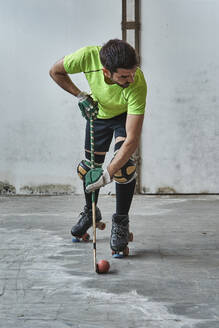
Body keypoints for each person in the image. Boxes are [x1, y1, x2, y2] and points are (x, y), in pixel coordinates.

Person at [49, 39, 147, 255]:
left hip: (123, 116)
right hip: (98, 114)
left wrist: (108, 175)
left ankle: (121, 221)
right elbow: (55, 72)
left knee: (123, 168)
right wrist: (80, 95)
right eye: (123, 76)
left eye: (133, 72)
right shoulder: (86, 57)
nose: (131, 79)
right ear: (106, 71)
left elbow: (131, 140)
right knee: (87, 169)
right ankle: (91, 212)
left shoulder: (137, 83)